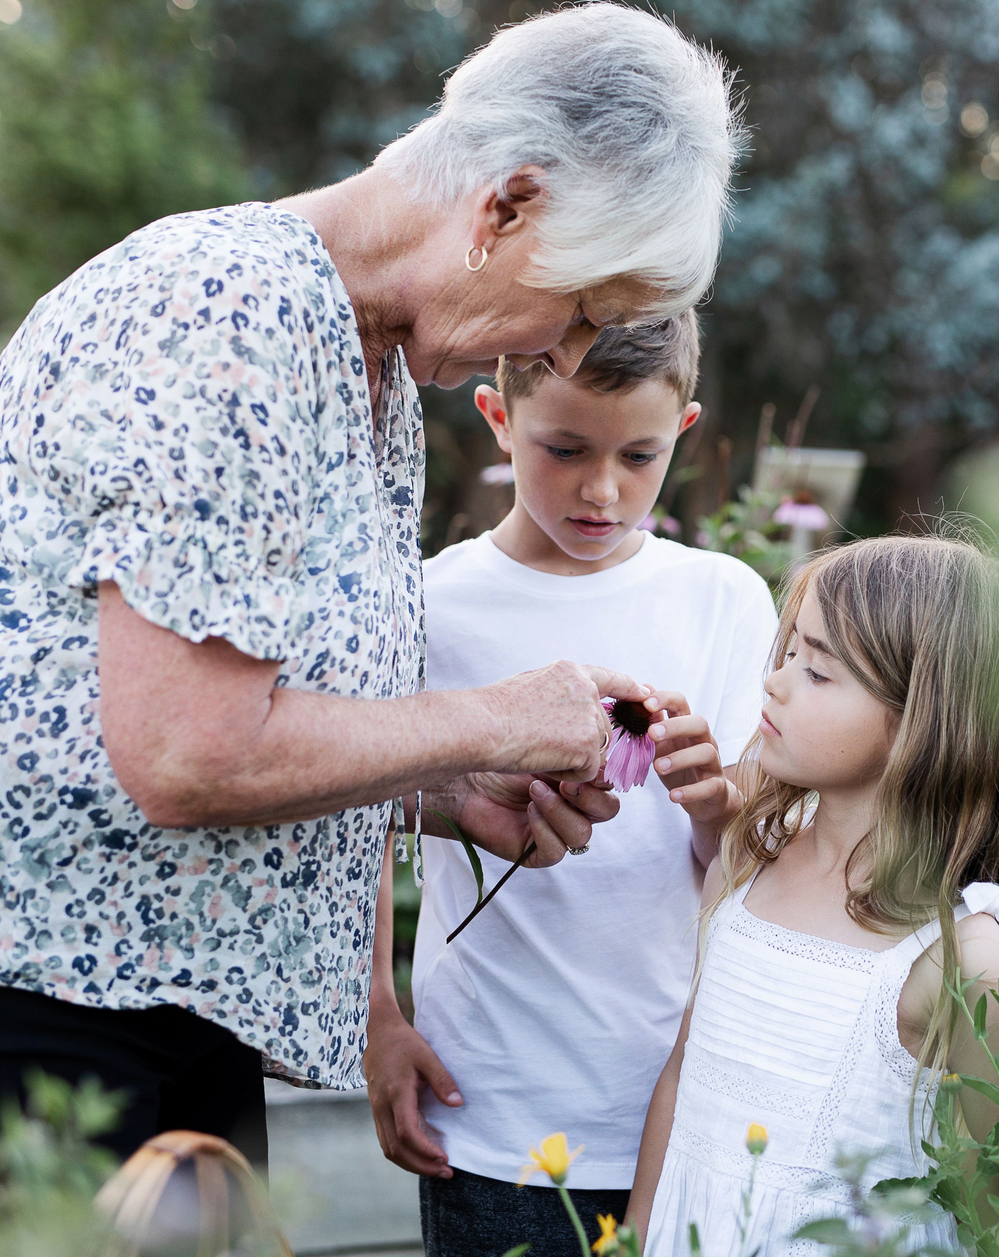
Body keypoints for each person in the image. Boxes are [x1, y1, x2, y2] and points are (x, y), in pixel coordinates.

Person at [0, 3, 743, 1212]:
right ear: (504, 209)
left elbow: (259, 711)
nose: (560, 346)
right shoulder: (230, 313)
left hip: (156, 964)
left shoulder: (368, 361)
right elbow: (185, 753)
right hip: (12, 957)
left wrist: (448, 796)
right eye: (576, 309)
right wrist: (497, 723)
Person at [364, 312, 778, 1256]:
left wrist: (717, 801)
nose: (603, 489)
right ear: (498, 418)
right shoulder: (429, 605)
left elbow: (757, 864)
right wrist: (378, 1018)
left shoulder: (721, 601)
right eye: (565, 449)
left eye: (639, 455)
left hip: (676, 1097)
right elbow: (361, 822)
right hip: (493, 1102)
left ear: (684, 428)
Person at [626, 534, 999, 1257]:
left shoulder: (962, 954)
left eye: (818, 671)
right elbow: (681, 1071)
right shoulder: (746, 860)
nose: (776, 682)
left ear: (926, 722)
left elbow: (996, 1198)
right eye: (788, 652)